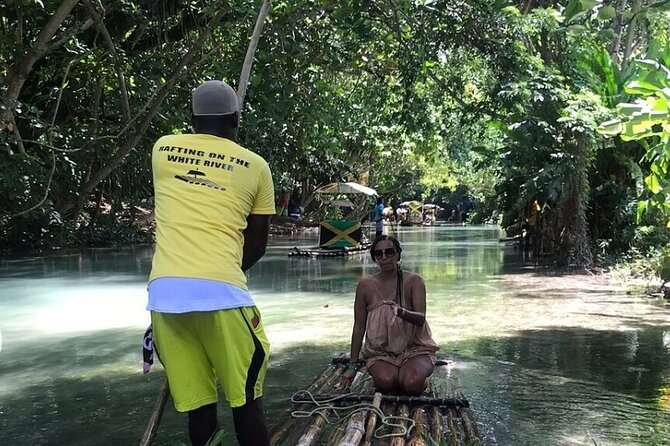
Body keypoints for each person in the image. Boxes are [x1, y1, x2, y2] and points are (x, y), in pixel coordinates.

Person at [147, 80, 275, 446]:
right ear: (236, 118)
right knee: (247, 402)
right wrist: (225, 274)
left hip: (165, 297)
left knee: (200, 407)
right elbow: (258, 243)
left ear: (192, 118)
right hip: (223, 292)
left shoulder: (162, 150)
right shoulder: (256, 166)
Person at [337, 235, 439, 395]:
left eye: (389, 252)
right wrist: (352, 365)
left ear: (398, 254)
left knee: (411, 384)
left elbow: (420, 318)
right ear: (374, 258)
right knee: (386, 383)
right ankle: (395, 373)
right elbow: (359, 327)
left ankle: (415, 377)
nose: (384, 257)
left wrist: (401, 312)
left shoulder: (414, 281)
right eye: (379, 254)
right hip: (380, 352)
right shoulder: (365, 285)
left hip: (414, 348)